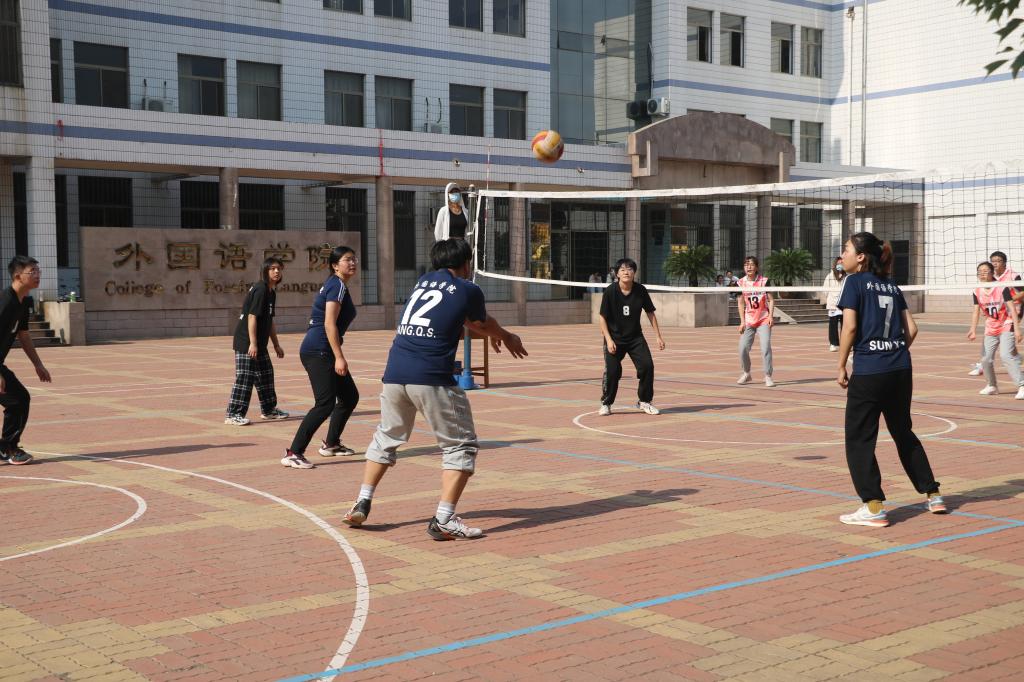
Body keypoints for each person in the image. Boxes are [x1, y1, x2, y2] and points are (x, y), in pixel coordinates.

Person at [341, 238, 527, 539]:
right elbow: (480, 321)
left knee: (386, 437)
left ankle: (362, 501)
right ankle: (444, 519)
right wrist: (505, 335)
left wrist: (495, 333)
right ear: (465, 263)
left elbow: (465, 320)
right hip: (430, 376)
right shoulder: (468, 289)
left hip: (394, 373)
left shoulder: (422, 283)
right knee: (461, 445)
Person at [836, 232, 945, 528]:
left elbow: (849, 328)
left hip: (870, 372)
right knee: (903, 432)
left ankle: (873, 507)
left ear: (861, 257)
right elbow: (913, 328)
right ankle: (933, 494)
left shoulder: (853, 282)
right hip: (900, 370)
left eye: (846, 249)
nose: (842, 255)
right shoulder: (890, 284)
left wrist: (841, 365)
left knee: (860, 439)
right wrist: (893, 351)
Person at [282, 246, 360, 469]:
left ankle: (332, 444)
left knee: (349, 397)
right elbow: (329, 324)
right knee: (324, 403)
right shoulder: (337, 286)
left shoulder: (337, 285)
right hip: (320, 350)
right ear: (335, 265)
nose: (352, 263)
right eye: (347, 260)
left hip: (321, 349)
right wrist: (339, 357)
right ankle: (294, 452)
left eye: (354, 259)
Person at [0, 256, 52, 465]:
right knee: (17, 399)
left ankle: (7, 447)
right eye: (32, 272)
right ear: (17, 276)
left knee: (19, 399)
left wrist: (38, 364)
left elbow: (23, 335)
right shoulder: (5, 302)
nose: (37, 275)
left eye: (38, 271)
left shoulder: (23, 302)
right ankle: (8, 448)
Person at [597, 258, 666, 416]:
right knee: (613, 371)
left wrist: (658, 336)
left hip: (635, 338)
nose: (626, 272)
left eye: (629, 269)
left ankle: (645, 401)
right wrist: (608, 340)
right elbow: (602, 318)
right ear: (617, 274)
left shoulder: (640, 290)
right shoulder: (610, 291)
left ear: (634, 272)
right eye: (622, 270)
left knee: (647, 366)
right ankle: (606, 403)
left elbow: (650, 313)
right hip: (614, 338)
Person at [224, 257, 288, 426]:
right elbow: (252, 317)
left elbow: (269, 320)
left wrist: (276, 344)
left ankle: (269, 410)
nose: (276, 271)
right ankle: (233, 414)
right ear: (265, 271)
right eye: (272, 268)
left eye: (279, 268)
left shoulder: (271, 292)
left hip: (259, 344)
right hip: (247, 342)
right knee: (245, 377)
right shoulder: (260, 289)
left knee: (266, 375)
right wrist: (252, 344)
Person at [968, 261, 1024, 399]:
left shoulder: (1001, 287)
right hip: (991, 327)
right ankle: (992, 385)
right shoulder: (977, 291)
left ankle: (1022, 385)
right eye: (979, 272)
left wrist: (1017, 330)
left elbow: (1012, 308)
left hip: (1006, 324)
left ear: (992, 273)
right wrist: (973, 329)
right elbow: (976, 311)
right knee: (986, 359)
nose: (982, 274)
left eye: (985, 271)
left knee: (1005, 355)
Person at [736, 256, 775, 387]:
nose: (749, 267)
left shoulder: (764, 281)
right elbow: (740, 303)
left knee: (765, 347)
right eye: (746, 265)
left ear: (757, 267)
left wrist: (770, 317)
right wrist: (742, 321)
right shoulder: (740, 283)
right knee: (742, 348)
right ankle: (746, 373)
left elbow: (771, 300)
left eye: (752, 264)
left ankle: (768, 376)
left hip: (763, 319)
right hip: (749, 320)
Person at [823, 256, 846, 352]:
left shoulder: (846, 276)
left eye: (842, 263)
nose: (840, 265)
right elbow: (825, 290)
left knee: (845, 325)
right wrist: (829, 299)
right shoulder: (830, 276)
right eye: (838, 263)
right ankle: (833, 344)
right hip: (833, 304)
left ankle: (845, 343)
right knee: (833, 325)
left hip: (843, 304)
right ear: (835, 264)